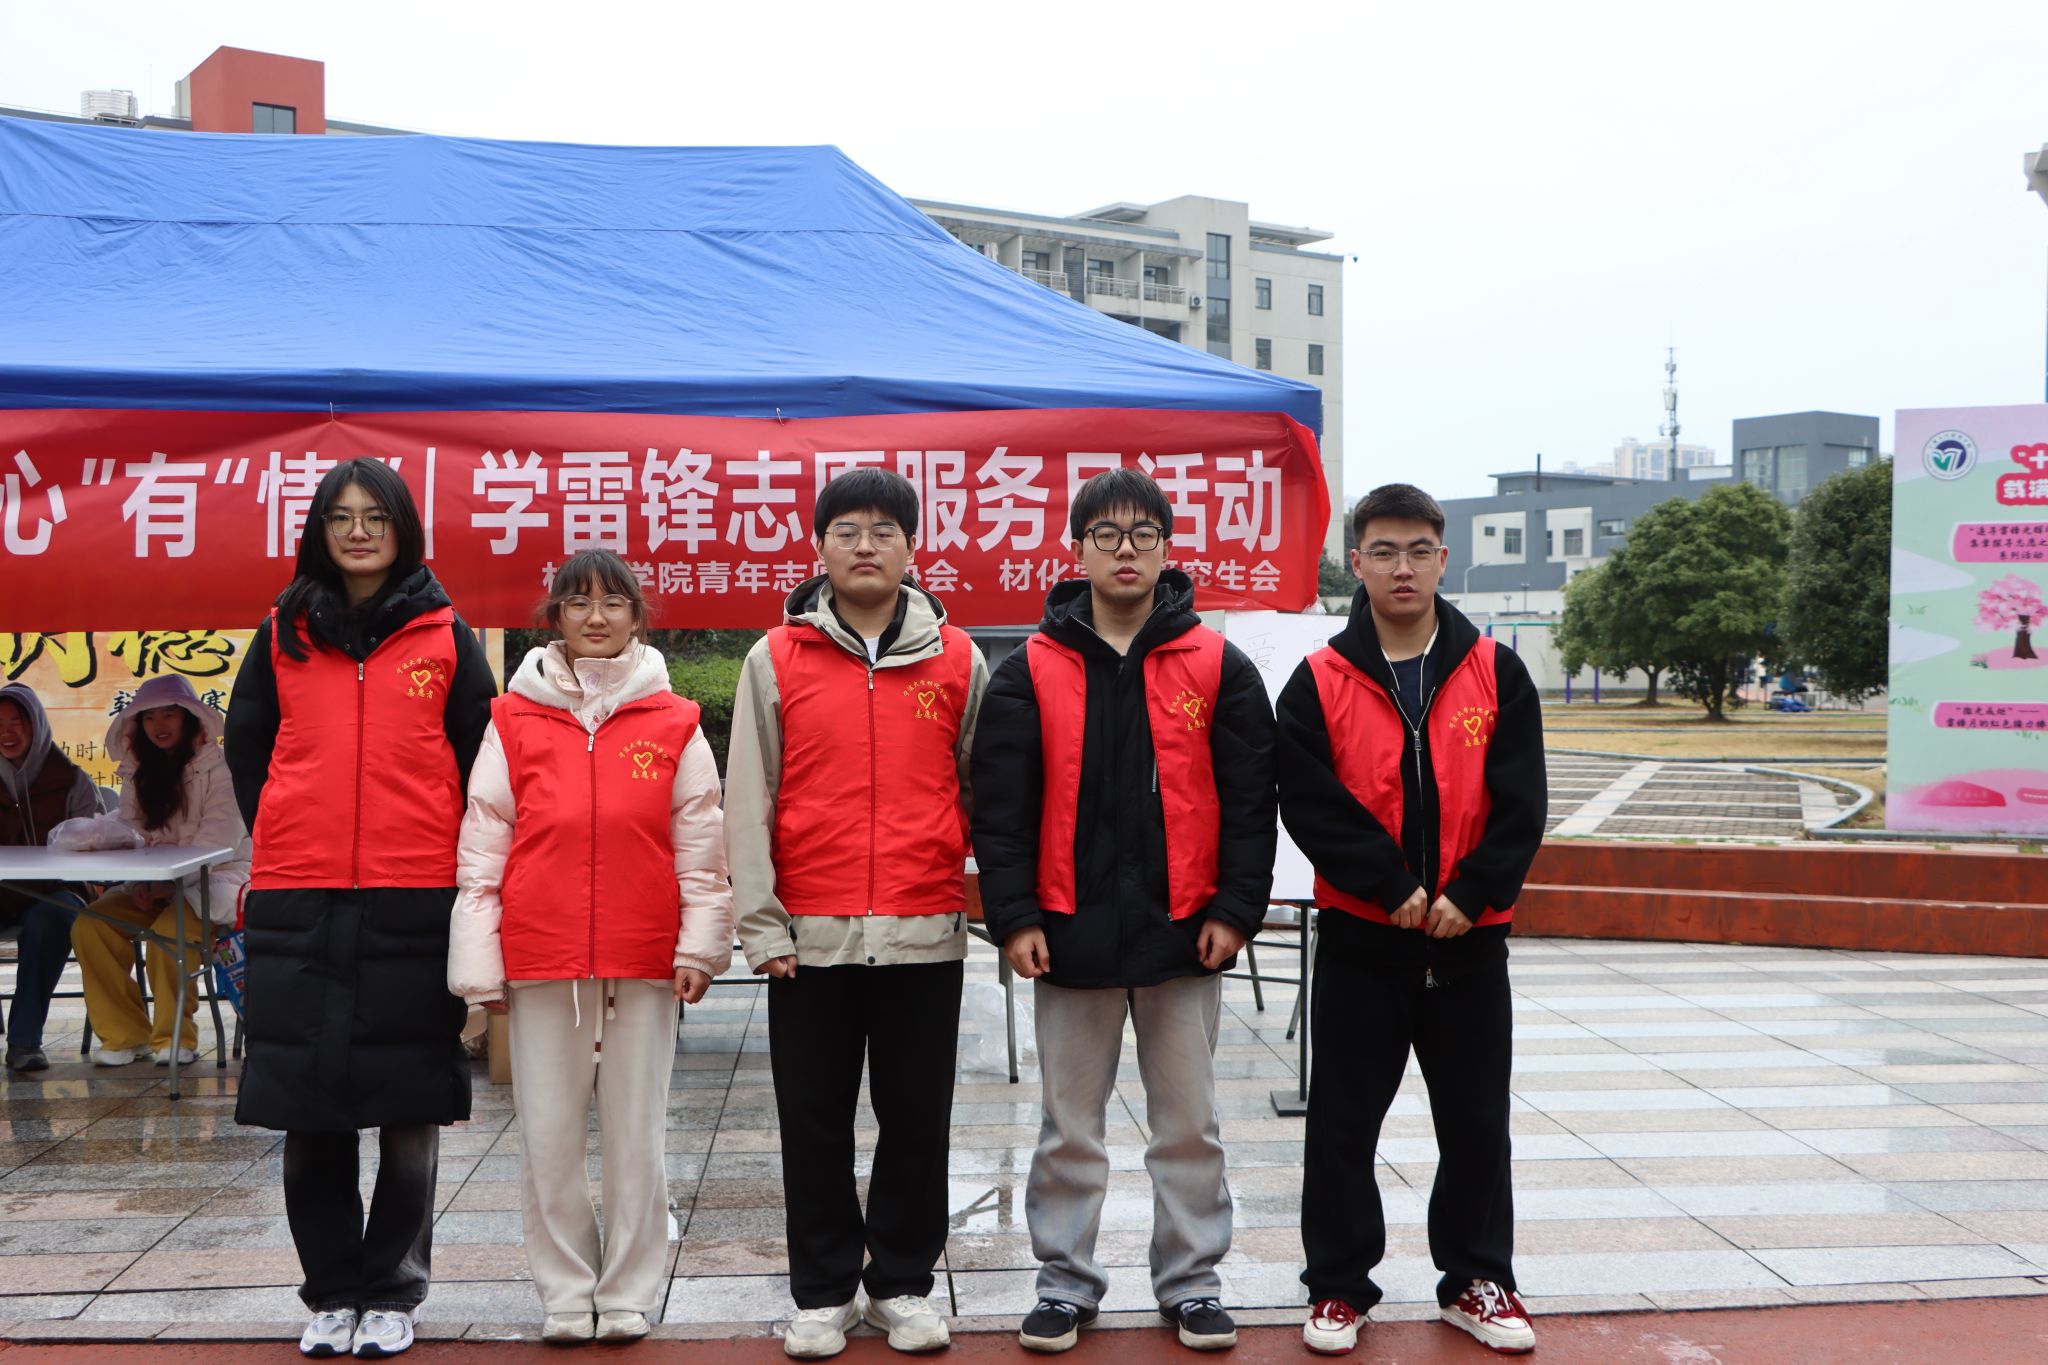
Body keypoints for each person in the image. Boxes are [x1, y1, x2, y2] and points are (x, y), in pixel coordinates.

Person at [971, 467, 1278, 1355]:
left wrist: (1235, 908)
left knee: (1189, 1125)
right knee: (1070, 1126)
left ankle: (1192, 1282)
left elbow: (1251, 799)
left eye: (1144, 534)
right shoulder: (1031, 668)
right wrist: (1016, 916)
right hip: (1068, 932)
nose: (1126, 550)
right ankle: (1065, 1283)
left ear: (1167, 548)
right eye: (1106, 535)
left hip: (1186, 932)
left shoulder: (1216, 663)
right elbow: (1001, 811)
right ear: (1077, 550)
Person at [224, 458, 494, 1361]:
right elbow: (249, 747)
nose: (358, 532)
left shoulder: (447, 635)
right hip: (299, 892)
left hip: (414, 889)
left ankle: (393, 1290)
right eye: (340, 517)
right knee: (308, 1107)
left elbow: (480, 758)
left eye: (374, 516)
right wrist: (290, 822)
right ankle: (332, 1290)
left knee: (410, 1103)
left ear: (402, 527)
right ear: (319, 530)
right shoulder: (282, 632)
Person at [726, 467, 988, 1359]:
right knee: (813, 1120)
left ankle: (902, 1283)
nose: (865, 545)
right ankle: (824, 1291)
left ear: (913, 547)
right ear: (820, 546)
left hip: (922, 932)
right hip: (811, 939)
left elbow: (982, 791)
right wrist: (762, 926)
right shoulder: (776, 657)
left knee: (916, 1119)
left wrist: (988, 905)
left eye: (884, 530)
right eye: (847, 530)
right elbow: (748, 798)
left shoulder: (958, 658)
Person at [1278, 484, 1546, 1357]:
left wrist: (1472, 892)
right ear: (1356, 562)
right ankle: (1338, 1285)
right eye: (1385, 550)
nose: (1403, 567)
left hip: (1471, 943)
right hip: (1364, 939)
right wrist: (1387, 882)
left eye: (1419, 549)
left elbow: (1522, 802)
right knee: (1343, 1124)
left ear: (1443, 559)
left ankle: (1477, 1277)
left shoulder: (1496, 670)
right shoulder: (1320, 679)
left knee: (1476, 1123)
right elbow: (1308, 801)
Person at [448, 549, 735, 1346]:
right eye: (578, 602)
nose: (597, 616)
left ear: (638, 617)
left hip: (644, 961)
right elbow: (483, 848)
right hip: (541, 959)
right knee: (548, 1137)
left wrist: (699, 948)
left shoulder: (674, 721)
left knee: (639, 1136)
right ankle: (568, 1291)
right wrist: (478, 969)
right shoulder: (512, 719)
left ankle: (629, 1291)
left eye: (614, 602)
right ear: (556, 618)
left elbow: (702, 848)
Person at [73, 676, 250, 1067]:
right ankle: (124, 1035)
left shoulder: (223, 769)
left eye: (169, 714)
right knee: (91, 924)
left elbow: (219, 841)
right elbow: (133, 833)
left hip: (217, 881)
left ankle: (175, 1037)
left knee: (171, 932)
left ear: (189, 718)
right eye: (149, 717)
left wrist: (167, 886)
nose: (159, 725)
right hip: (155, 885)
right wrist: (141, 881)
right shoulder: (138, 772)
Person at [0, 684, 96, 1072]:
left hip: (55, 892)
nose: (7, 733)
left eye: (17, 722)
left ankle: (24, 1041)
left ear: (37, 725)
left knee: (50, 919)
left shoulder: (72, 780)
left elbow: (98, 843)